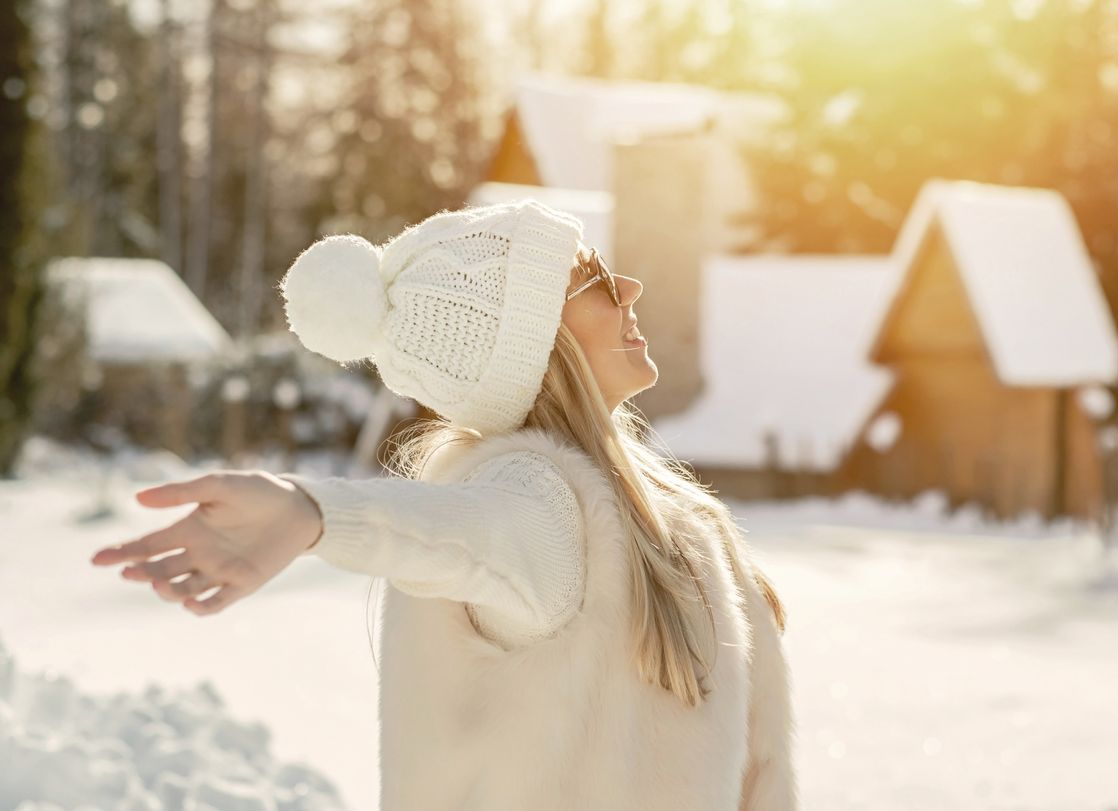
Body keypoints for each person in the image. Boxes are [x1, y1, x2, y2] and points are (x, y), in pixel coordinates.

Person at [90, 199, 798, 810]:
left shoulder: (671, 514)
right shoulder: (547, 501)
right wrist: (316, 513)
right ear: (535, 344)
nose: (630, 286)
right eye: (593, 278)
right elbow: (461, 535)